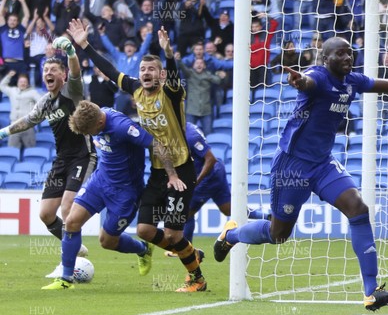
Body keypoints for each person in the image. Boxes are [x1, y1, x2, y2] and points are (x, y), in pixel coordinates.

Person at [212, 37, 388, 311]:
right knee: (278, 234)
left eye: (350, 53)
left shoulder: (352, 81)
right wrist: (299, 82)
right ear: (326, 58)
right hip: (292, 166)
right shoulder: (317, 78)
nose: (348, 58)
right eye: (341, 54)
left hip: (322, 164)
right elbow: (307, 82)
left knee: (357, 208)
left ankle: (371, 291)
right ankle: (231, 236)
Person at [68, 18, 205, 293]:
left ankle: (197, 279)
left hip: (180, 169)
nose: (146, 72)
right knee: (144, 230)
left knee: (173, 234)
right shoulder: (136, 90)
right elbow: (110, 70)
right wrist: (85, 45)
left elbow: (175, 75)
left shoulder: (172, 92)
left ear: (161, 75)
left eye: (152, 69)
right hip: (158, 170)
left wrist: (168, 53)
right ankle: (189, 253)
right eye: (142, 69)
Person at [42, 101, 186, 289]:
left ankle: (143, 250)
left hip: (125, 192)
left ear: (100, 124)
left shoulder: (123, 127)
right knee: (71, 222)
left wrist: (172, 175)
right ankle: (65, 279)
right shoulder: (97, 115)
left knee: (107, 241)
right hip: (100, 181)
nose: (90, 135)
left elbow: (156, 145)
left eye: (91, 132)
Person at [0, 37, 96, 277]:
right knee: (45, 214)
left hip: (83, 156)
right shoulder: (45, 102)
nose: (48, 73)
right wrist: (4, 131)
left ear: (62, 75)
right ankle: (74, 243)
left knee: (67, 208)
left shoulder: (71, 91)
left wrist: (72, 52)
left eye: (54, 69)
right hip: (62, 160)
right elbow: (29, 120)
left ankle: (69, 265)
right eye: (45, 70)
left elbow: (75, 72)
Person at [164, 122, 268, 257]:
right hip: (215, 172)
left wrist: (195, 182)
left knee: (186, 213)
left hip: (209, 175)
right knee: (228, 209)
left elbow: (210, 159)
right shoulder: (184, 128)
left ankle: (185, 250)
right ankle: (266, 216)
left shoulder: (190, 136)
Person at [0, 70, 42, 149]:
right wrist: (8, 76)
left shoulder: (33, 92)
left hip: (27, 126)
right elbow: (2, 86)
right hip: (14, 126)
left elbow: (42, 102)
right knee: (12, 150)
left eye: (24, 82)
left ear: (27, 83)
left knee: (30, 150)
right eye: (21, 81)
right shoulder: (13, 91)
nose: (23, 83)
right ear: (17, 83)